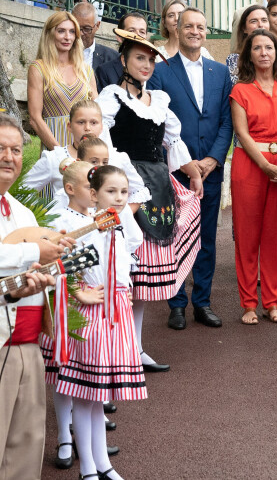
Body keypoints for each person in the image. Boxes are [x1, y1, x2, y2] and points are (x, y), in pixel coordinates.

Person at [98, 29, 202, 369]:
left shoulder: (159, 101)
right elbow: (105, 147)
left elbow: (172, 143)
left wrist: (194, 172)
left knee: (141, 283)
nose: (147, 65)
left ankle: (136, 348)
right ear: (124, 60)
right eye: (140, 58)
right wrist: (123, 185)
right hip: (124, 190)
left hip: (158, 186)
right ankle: (116, 352)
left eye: (151, 59)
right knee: (124, 275)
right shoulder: (111, 97)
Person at [53, 164, 144, 480]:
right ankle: (89, 470)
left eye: (123, 192)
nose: (119, 198)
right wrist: (80, 292)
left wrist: (126, 289)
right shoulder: (89, 227)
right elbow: (65, 264)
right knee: (85, 393)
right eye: (111, 191)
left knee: (97, 396)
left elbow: (121, 262)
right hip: (93, 313)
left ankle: (102, 463)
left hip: (113, 308)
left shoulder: (113, 224)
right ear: (93, 194)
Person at [147, 7, 232, 331]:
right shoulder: (161, 72)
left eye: (200, 26)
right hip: (176, 170)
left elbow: (227, 122)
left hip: (210, 169)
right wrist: (185, 161)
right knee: (175, 236)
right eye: (189, 26)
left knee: (207, 239)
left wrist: (213, 159)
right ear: (178, 31)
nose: (195, 31)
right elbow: (158, 120)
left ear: (206, 31)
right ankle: (177, 303)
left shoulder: (219, 72)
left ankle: (203, 302)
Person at [0, 115, 66, 480]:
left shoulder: (22, 213)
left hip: (27, 344)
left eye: (15, 150)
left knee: (26, 447)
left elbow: (38, 268)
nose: (9, 157)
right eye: (0, 148)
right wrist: (32, 254)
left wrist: (51, 270)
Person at [230, 29, 277, 325]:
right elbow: (242, 134)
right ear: (249, 55)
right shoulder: (240, 91)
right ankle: (248, 304)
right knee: (247, 235)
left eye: (269, 47)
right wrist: (266, 166)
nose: (264, 52)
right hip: (250, 165)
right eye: (257, 48)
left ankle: (272, 303)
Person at [27, 11, 97, 155]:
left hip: (85, 151)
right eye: (61, 31)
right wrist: (60, 153)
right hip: (54, 149)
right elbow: (34, 118)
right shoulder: (39, 68)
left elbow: (98, 114)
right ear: (50, 34)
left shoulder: (86, 70)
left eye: (72, 32)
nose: (67, 37)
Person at [95, 11, 148, 91]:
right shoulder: (105, 71)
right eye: (131, 31)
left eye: (142, 32)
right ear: (119, 37)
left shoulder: (156, 71)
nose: (137, 35)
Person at [226, 4, 270, 84]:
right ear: (244, 28)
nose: (260, 24)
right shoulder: (235, 59)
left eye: (264, 20)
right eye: (254, 21)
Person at [72, 1, 118, 70]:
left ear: (97, 25)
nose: (80, 33)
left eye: (86, 29)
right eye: (76, 28)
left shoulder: (112, 57)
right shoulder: (58, 53)